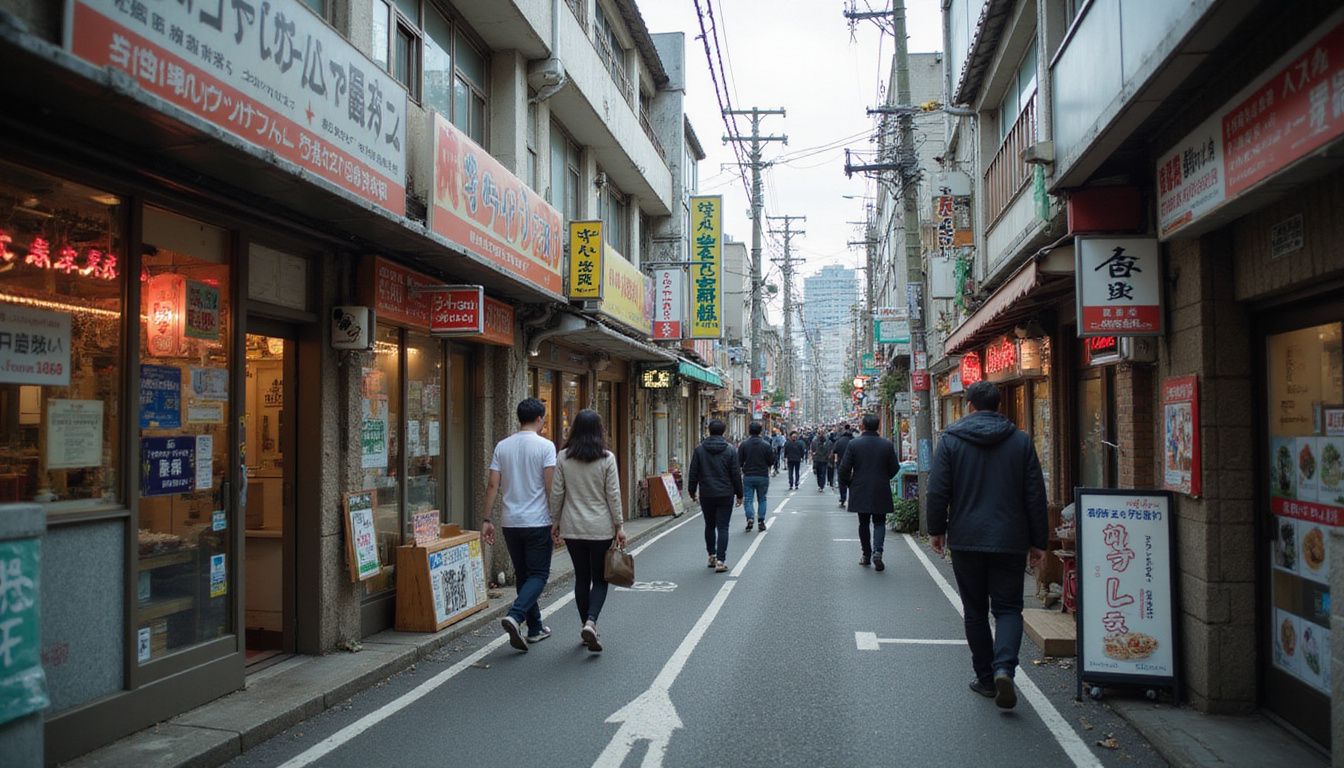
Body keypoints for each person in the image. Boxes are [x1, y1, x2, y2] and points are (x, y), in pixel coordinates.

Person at [926, 381, 1048, 711]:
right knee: (1009, 609)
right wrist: (1040, 541)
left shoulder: (952, 439)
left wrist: (936, 530)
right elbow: (1035, 493)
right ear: (999, 406)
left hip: (967, 538)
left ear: (969, 406)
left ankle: (985, 676)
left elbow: (938, 490)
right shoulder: (1020, 440)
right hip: (1010, 539)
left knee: (976, 611)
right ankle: (1004, 668)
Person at [482, 398, 558, 653]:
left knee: (524, 575)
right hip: (537, 520)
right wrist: (557, 518)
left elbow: (493, 485)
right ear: (539, 419)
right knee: (539, 575)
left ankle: (535, 628)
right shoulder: (546, 446)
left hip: (510, 522)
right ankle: (515, 616)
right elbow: (550, 486)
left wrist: (486, 519)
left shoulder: (502, 446)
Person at [549, 409, 626, 653]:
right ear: (599, 430)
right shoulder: (606, 458)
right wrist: (619, 526)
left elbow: (557, 492)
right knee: (600, 579)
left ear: (574, 429)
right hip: (600, 528)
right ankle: (592, 622)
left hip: (573, 528)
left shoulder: (563, 457)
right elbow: (613, 495)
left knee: (581, 578)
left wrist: (555, 521)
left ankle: (586, 626)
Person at [838, 414, 899, 571]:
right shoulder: (886, 445)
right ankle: (878, 551)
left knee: (863, 522)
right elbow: (895, 468)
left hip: (860, 487)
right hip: (880, 487)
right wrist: (884, 477)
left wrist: (849, 483)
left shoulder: (854, 444)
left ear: (862, 426)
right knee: (879, 522)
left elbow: (844, 469)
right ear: (878, 427)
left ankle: (866, 554)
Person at [687, 419, 744, 572]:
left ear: (709, 431)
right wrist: (739, 494)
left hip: (707, 492)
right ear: (723, 432)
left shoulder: (700, 450)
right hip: (726, 493)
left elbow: (693, 473)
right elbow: (735, 474)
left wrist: (692, 491)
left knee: (709, 525)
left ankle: (711, 555)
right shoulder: (730, 450)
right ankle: (721, 560)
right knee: (723, 527)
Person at [737, 422, 774, 532]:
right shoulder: (766, 445)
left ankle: (750, 518)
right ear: (760, 431)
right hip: (762, 475)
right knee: (762, 499)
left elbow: (739, 461)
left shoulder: (744, 445)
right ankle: (761, 520)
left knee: (748, 499)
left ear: (749, 431)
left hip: (748, 475)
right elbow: (771, 461)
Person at [831, 424, 855, 508]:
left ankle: (843, 499)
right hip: (853, 466)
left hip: (842, 464)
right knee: (853, 483)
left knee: (842, 483)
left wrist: (835, 461)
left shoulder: (839, 441)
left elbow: (835, 452)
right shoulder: (854, 441)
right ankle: (852, 500)